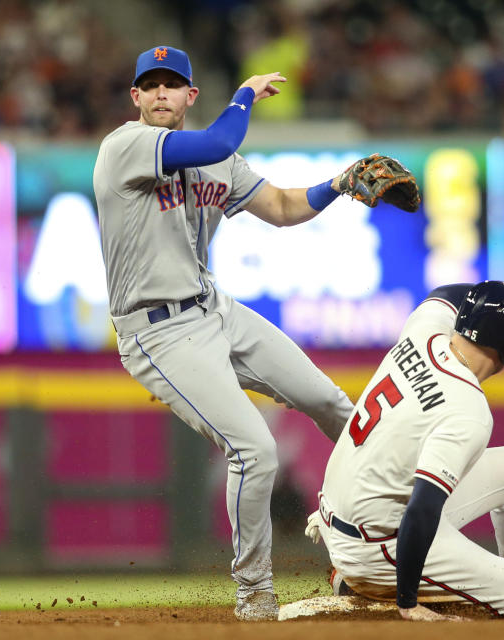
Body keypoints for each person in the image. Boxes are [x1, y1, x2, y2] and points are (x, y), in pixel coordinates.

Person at [92, 45, 392, 620]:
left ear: (189, 96)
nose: (160, 94)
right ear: (135, 97)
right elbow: (216, 142)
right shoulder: (125, 146)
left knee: (331, 402)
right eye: (149, 86)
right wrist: (246, 95)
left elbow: (279, 206)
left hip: (214, 308)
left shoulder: (217, 163)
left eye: (171, 85)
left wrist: (340, 183)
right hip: (156, 332)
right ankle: (254, 592)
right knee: (254, 451)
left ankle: (382, 532)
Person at [306, 278, 504, 620]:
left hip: (346, 512)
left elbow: (443, 295)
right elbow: (423, 508)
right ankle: (366, 584)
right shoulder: (468, 410)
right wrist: (408, 603)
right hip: (375, 545)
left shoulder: (425, 332)